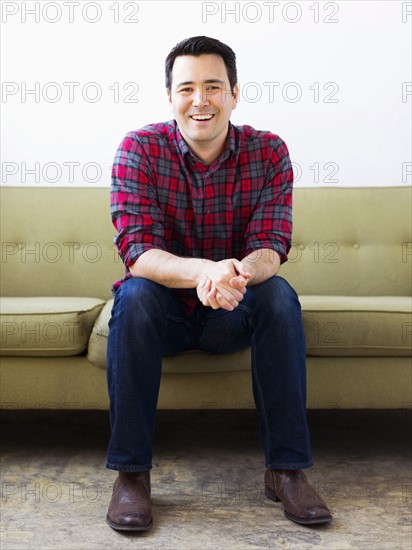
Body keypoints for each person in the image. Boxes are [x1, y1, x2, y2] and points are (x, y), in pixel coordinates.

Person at [106, 35, 332, 531]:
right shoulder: (138, 148)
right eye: (187, 88)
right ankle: (130, 477)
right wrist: (204, 272)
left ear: (234, 93)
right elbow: (138, 253)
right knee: (134, 294)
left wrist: (236, 274)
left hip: (234, 310)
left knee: (279, 294)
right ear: (170, 97)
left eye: (214, 86)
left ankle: (286, 470)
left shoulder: (269, 151)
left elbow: (272, 243)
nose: (200, 100)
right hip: (162, 316)